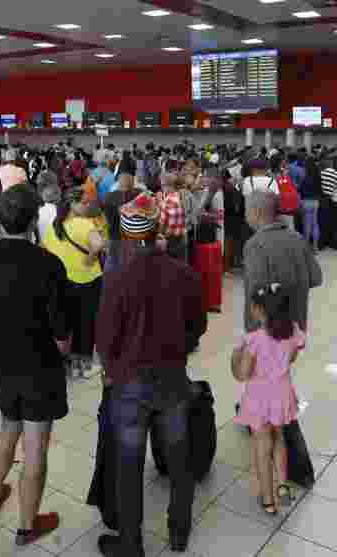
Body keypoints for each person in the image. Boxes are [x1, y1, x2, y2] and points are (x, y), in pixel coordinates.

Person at [93, 197, 207, 557]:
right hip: (173, 377)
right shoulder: (184, 274)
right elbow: (198, 326)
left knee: (129, 462)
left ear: (126, 236)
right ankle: (179, 532)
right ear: (158, 229)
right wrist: (178, 350)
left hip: (130, 383)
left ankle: (131, 542)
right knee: (178, 455)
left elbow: (106, 338)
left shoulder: (117, 279)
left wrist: (112, 370)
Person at [0, 189, 69, 545]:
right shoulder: (47, 265)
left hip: (2, 361)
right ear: (33, 221)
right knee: (35, 446)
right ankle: (28, 526)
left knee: (7, 427)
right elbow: (63, 340)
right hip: (39, 367)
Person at [232, 282, 304, 516]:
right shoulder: (294, 331)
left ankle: (268, 499)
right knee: (279, 437)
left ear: (260, 310)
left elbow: (242, 374)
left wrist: (236, 353)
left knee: (262, 447)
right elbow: (291, 358)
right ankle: (282, 485)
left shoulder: (254, 339)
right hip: (282, 394)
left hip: (259, 398)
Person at [42, 187, 105, 378]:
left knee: (71, 322)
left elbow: (45, 250)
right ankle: (85, 366)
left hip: (64, 283)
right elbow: (99, 245)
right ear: (72, 204)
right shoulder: (84, 224)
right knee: (86, 323)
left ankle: (74, 365)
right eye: (83, 203)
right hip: (88, 280)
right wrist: (91, 258)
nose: (87, 206)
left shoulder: (55, 227)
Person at [243, 190, 323, 334]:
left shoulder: (255, 244)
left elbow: (256, 289)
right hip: (296, 326)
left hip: (266, 331)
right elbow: (316, 278)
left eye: (246, 211)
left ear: (257, 212)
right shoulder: (297, 238)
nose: (246, 217)